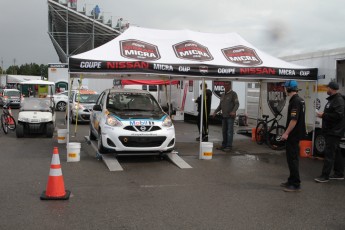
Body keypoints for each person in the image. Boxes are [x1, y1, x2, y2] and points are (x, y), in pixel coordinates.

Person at [314, 81, 345, 183]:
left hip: (334, 131)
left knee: (329, 154)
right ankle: (339, 173)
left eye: (328, 88)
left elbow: (338, 116)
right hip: (331, 130)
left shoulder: (338, 100)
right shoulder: (333, 100)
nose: (326, 89)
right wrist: (324, 114)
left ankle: (324, 176)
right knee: (337, 152)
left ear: (331, 89)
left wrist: (323, 115)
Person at [281, 80, 306, 192]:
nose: (284, 90)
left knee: (292, 159)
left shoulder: (295, 101)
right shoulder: (300, 99)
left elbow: (293, 120)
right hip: (296, 134)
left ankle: (296, 184)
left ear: (289, 89)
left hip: (293, 135)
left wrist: (286, 133)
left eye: (285, 88)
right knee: (291, 158)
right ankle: (291, 179)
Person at [212, 81, 239, 151]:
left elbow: (237, 104)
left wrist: (233, 111)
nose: (225, 87)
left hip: (230, 116)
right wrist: (215, 112)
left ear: (230, 86)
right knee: (224, 131)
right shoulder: (223, 95)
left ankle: (229, 146)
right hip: (224, 116)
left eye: (227, 85)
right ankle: (224, 145)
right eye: (224, 86)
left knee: (229, 131)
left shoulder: (233, 94)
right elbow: (220, 106)